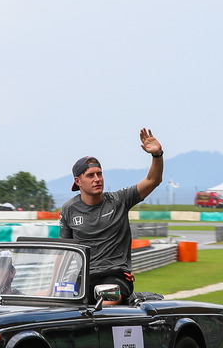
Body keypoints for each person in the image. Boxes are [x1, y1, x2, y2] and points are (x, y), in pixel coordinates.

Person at [59, 128, 163, 304]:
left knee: (105, 302)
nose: (97, 179)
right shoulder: (69, 209)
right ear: (78, 181)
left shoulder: (119, 200)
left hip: (116, 277)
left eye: (99, 174)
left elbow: (153, 181)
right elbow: (63, 252)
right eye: (90, 175)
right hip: (84, 279)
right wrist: (54, 283)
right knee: (52, 301)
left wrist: (157, 155)